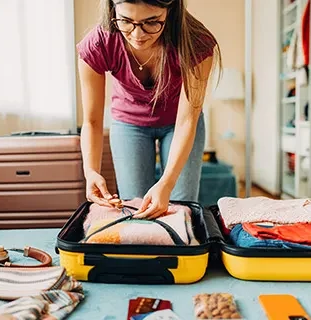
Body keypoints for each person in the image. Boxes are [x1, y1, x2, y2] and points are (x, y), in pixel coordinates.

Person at [77, 0, 222, 219]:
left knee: (180, 206)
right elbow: (92, 121)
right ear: (112, 10)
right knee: (135, 206)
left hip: (178, 123)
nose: (137, 34)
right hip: (128, 123)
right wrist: (91, 172)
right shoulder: (98, 43)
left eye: (151, 22)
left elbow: (186, 121)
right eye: (126, 21)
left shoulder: (196, 42)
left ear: (170, 12)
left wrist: (166, 183)